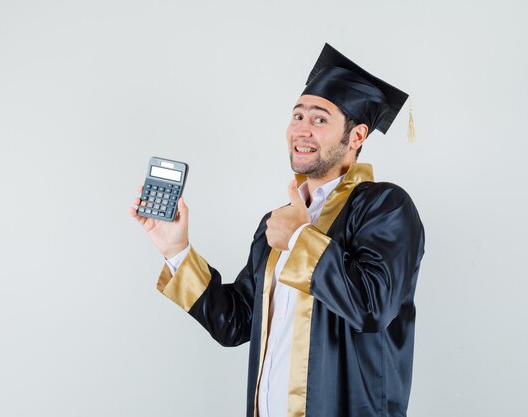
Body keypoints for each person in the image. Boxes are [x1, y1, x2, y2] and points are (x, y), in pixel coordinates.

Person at [129, 43, 425, 417]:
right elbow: (235, 323)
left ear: (356, 136)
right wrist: (177, 251)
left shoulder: (384, 207)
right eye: (297, 116)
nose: (302, 130)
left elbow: (372, 307)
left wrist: (301, 239)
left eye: (319, 120)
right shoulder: (278, 221)